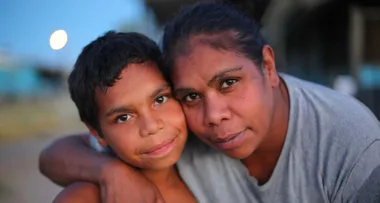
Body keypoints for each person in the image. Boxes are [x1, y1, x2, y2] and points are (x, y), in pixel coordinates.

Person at [40, 2, 380, 203]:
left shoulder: (352, 145)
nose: (213, 116)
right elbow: (55, 154)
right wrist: (108, 170)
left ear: (269, 66)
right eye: (189, 96)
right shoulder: (174, 136)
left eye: (229, 83)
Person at [52, 31, 198, 203]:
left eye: (160, 99)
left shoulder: (211, 153)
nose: (150, 126)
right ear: (98, 134)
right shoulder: (84, 198)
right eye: (124, 117)